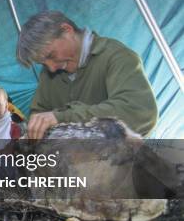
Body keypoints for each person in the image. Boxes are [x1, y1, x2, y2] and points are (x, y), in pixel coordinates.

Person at [17, 10, 158, 139]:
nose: (51, 68)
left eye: (51, 55)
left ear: (67, 30)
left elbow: (138, 112)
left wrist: (63, 118)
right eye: (43, 63)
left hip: (122, 162)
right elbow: (39, 113)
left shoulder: (116, 57)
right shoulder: (49, 73)